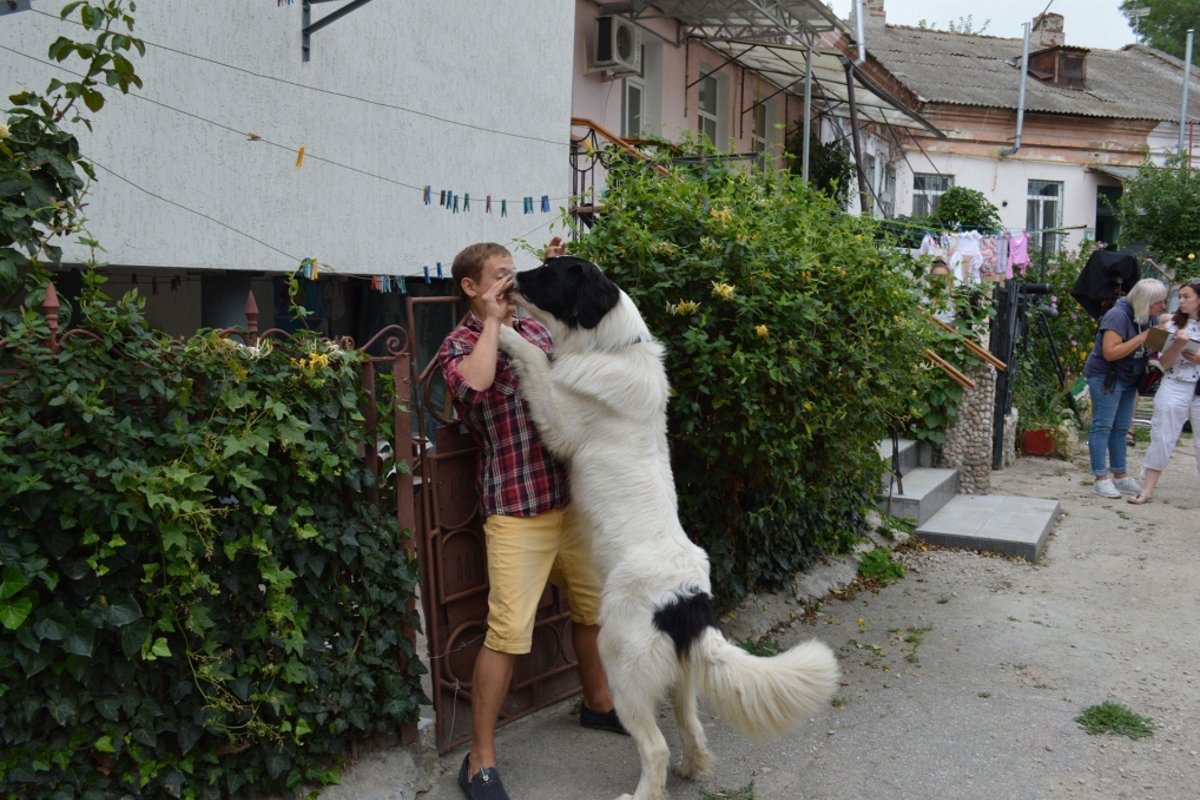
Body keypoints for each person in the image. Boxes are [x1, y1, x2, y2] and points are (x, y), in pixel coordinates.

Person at [437, 238, 623, 800]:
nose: (509, 285)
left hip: (570, 500)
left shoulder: (537, 330)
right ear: (471, 287)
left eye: (512, 275)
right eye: (499, 276)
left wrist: (552, 269)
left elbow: (585, 336)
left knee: (592, 609)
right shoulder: (461, 343)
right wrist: (493, 320)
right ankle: (479, 759)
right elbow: (475, 384)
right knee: (508, 635)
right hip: (517, 509)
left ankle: (598, 704)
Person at [1082, 277, 1168, 498]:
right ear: (1146, 301)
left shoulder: (1149, 317)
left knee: (1121, 429)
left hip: (1130, 378)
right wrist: (1143, 336)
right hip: (1107, 377)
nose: (1163, 306)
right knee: (1103, 427)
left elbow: (1152, 349)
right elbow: (1110, 352)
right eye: (1159, 302)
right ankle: (1100, 478)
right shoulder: (1117, 315)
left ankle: (1120, 476)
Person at [1127, 278, 1200, 504]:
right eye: (1180, 297)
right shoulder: (1169, 326)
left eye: (1187, 296)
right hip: (1174, 384)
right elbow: (1159, 364)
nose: (1182, 301)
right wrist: (1177, 345)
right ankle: (1148, 490)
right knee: (1162, 436)